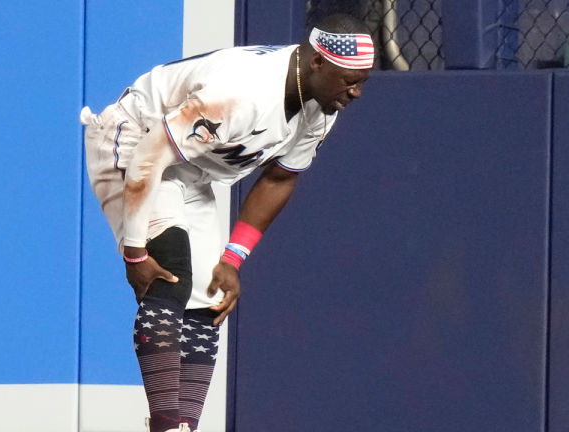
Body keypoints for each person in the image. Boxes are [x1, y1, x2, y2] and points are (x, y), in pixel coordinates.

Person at [80, 13, 374, 432]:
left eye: (362, 80)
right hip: (135, 139)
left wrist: (233, 258)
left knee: (208, 300)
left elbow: (280, 176)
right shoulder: (245, 93)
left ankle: (184, 426)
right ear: (316, 63)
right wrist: (134, 251)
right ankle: (166, 426)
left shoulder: (323, 106)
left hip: (189, 168)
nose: (357, 92)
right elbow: (151, 154)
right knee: (171, 276)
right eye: (350, 79)